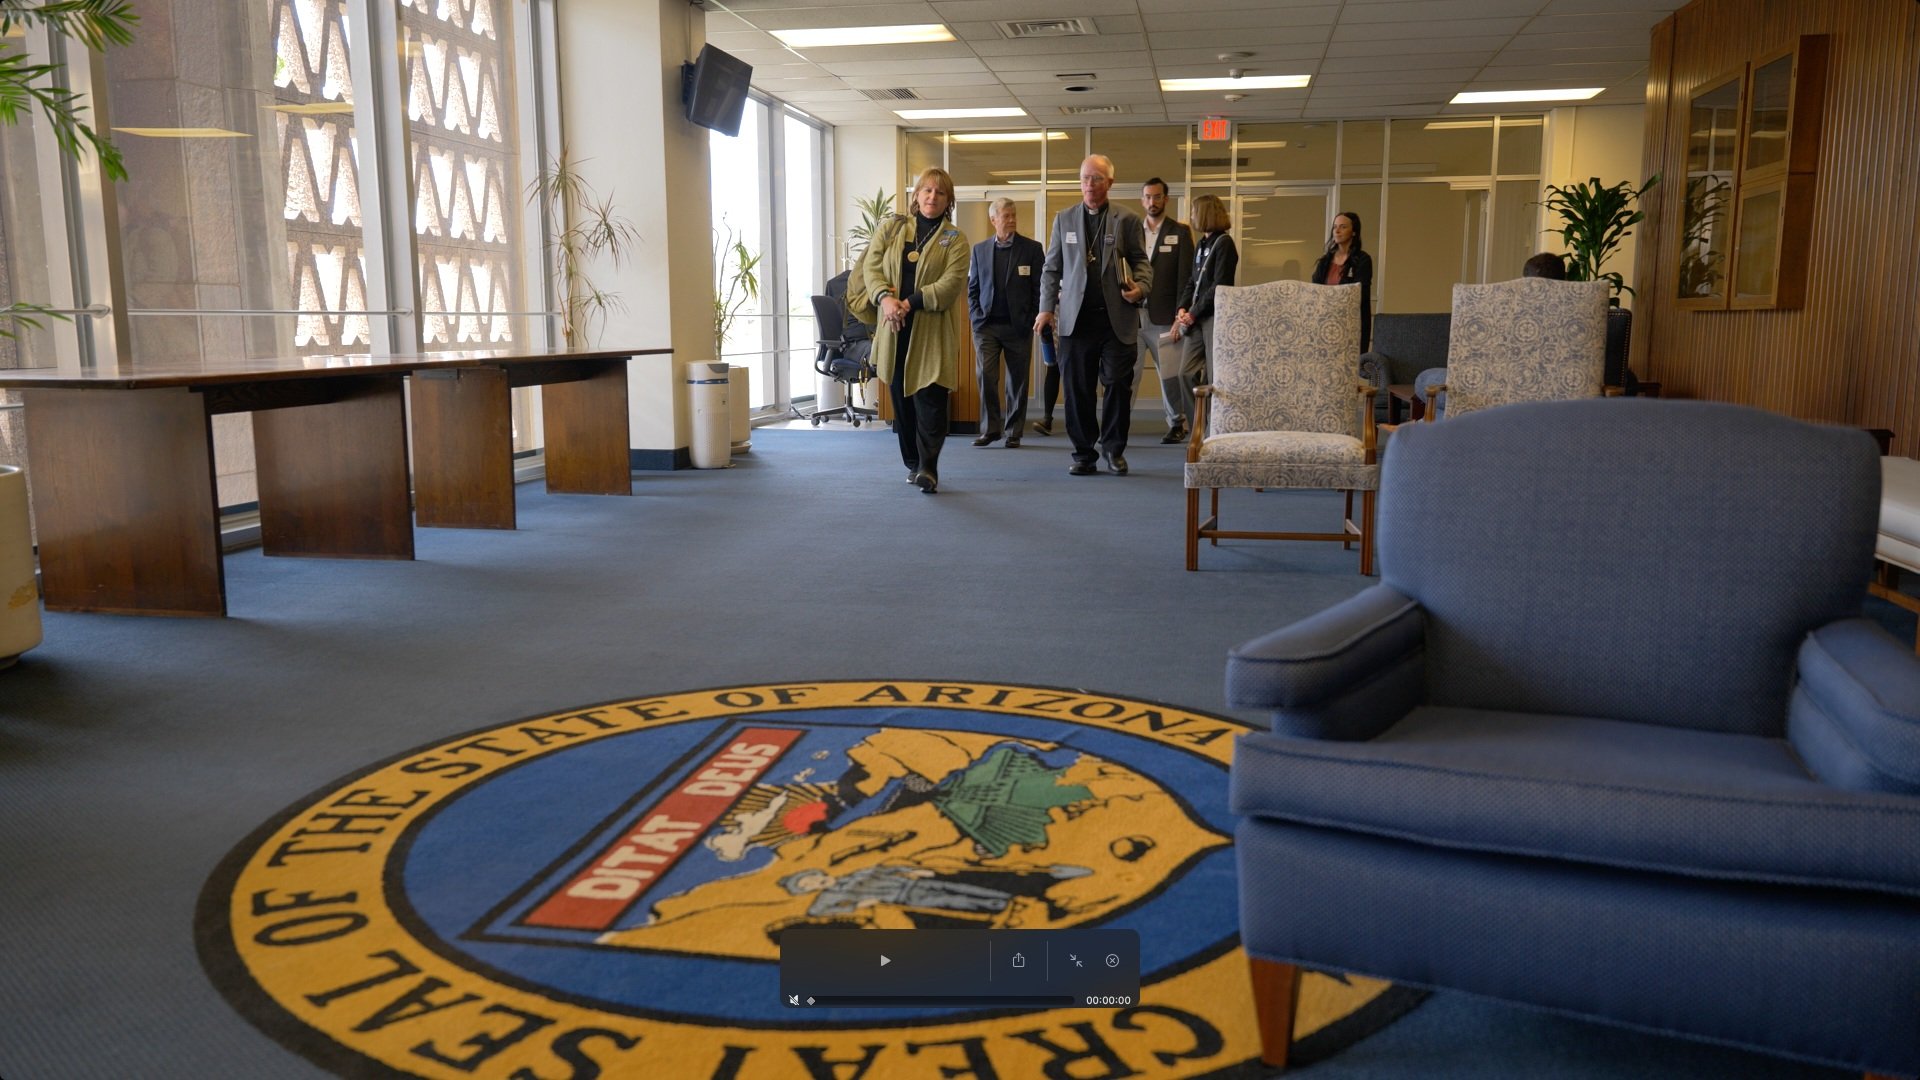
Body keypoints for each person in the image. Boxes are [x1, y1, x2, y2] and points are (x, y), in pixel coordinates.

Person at [1036, 154, 1152, 477]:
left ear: (1110, 183)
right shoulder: (1064, 219)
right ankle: (1084, 453)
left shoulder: (1127, 220)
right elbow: (1051, 268)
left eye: (1097, 179)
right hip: (1076, 321)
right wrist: (1046, 309)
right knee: (1078, 389)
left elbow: (1142, 263)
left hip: (1117, 320)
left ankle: (1114, 450)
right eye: (1085, 178)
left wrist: (1141, 288)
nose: (1090, 185)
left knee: (1117, 384)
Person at [855, 168, 970, 494]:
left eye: (940, 193)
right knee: (902, 403)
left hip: (930, 333)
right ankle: (912, 463)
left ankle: (929, 467)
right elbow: (871, 266)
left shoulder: (955, 239)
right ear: (916, 195)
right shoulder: (891, 229)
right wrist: (885, 299)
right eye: (927, 191)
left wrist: (910, 302)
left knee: (931, 401)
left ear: (948, 201)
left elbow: (950, 285)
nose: (932, 197)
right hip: (894, 331)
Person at [965, 198, 1045, 449]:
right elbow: (973, 288)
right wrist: (976, 316)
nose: (1011, 220)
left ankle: (1013, 431)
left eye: (1013, 215)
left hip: (1018, 326)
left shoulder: (1032, 249)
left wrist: (1032, 316)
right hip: (986, 325)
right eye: (1006, 216)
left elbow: (1040, 288)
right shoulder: (979, 250)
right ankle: (990, 429)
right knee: (986, 376)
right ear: (993, 220)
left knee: (1017, 381)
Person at [1135, 177, 1196, 444]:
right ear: (1142, 200)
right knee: (1127, 374)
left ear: (1165, 199)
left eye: (1157, 197)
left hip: (1165, 317)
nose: (1152, 202)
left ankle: (1176, 423)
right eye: (1147, 197)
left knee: (1169, 374)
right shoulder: (1132, 230)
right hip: (1132, 316)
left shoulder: (1180, 233)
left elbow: (1187, 278)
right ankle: (1118, 423)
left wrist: (1179, 315)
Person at [1172, 194, 1238, 395]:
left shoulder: (1224, 243)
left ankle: (1211, 426)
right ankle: (1196, 426)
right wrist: (1182, 308)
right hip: (1196, 318)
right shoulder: (1201, 244)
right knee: (1185, 373)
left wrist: (1193, 313)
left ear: (1204, 213)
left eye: (1193, 211)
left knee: (1212, 377)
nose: (1191, 216)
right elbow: (1193, 281)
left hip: (1213, 318)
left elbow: (1219, 286)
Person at [1310, 211, 1374, 352]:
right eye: (1335, 227)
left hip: (1351, 324)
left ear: (1354, 232)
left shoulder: (1362, 260)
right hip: (1325, 323)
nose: (1337, 231)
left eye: (1343, 227)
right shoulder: (1325, 262)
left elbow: (1359, 294)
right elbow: (1315, 291)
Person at [823, 268, 872, 366]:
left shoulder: (871, 284)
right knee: (881, 352)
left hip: (866, 342)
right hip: (852, 345)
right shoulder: (865, 285)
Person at [1031, 325, 1060, 436]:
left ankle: (1082, 421)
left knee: (1076, 372)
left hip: (1077, 319)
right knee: (1053, 368)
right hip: (1050, 319)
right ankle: (1047, 420)